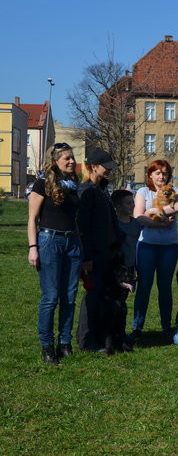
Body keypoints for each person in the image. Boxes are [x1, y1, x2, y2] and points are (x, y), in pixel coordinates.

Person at [27, 143, 82, 365]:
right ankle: (47, 346)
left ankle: (65, 343)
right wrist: (33, 247)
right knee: (50, 298)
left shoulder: (73, 184)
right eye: (66, 158)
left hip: (73, 242)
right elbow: (32, 219)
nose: (71, 161)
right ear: (55, 161)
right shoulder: (42, 184)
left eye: (72, 158)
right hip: (50, 241)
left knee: (69, 298)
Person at [76, 148, 124, 352]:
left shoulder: (101, 190)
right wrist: (86, 257)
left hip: (106, 253)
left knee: (102, 296)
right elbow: (82, 227)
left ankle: (102, 336)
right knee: (92, 297)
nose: (110, 171)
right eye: (107, 167)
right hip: (93, 255)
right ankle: (86, 342)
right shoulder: (86, 191)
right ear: (93, 167)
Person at [131, 160, 178, 342]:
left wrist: (150, 212)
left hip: (168, 246)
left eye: (165, 173)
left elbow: (176, 208)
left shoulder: (175, 191)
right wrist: (155, 218)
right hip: (146, 245)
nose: (161, 176)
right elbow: (137, 217)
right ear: (150, 175)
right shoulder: (142, 192)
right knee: (144, 287)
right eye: (158, 173)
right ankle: (137, 327)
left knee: (165, 288)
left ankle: (166, 327)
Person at [111, 189, 142, 283]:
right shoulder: (113, 223)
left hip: (131, 264)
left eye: (133, 202)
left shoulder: (136, 223)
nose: (132, 205)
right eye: (128, 203)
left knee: (127, 291)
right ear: (119, 207)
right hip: (115, 265)